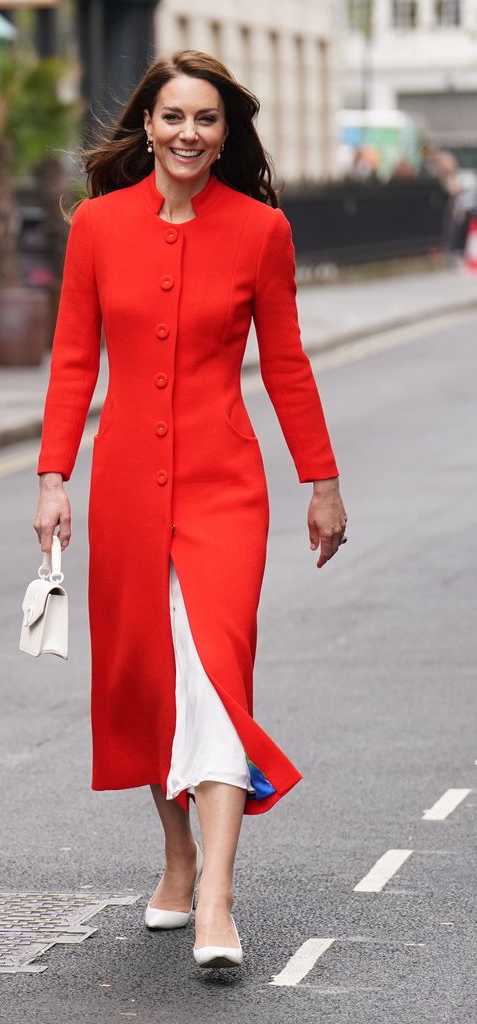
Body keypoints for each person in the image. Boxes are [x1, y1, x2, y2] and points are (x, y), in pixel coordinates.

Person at [34, 49, 347, 970]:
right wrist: (54, 476)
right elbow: (69, 360)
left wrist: (320, 483)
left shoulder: (259, 232)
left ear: (225, 134)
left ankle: (216, 894)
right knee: (149, 680)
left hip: (223, 488)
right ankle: (175, 858)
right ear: (148, 126)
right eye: (173, 116)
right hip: (126, 485)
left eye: (205, 119)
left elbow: (285, 363)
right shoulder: (95, 227)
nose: (188, 133)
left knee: (212, 674)